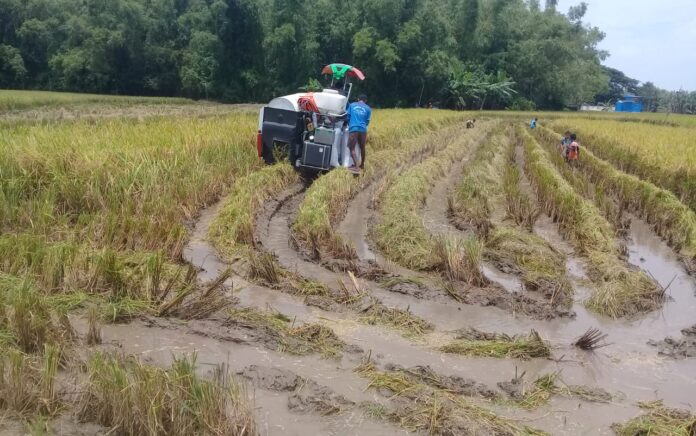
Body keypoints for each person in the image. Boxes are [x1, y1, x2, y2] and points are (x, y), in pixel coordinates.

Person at [346, 94, 372, 171]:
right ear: (366, 101)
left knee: (352, 148)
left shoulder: (352, 105)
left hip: (354, 128)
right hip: (363, 130)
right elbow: (367, 122)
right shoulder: (368, 108)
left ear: (358, 99)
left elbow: (348, 117)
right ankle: (362, 165)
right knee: (362, 147)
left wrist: (349, 124)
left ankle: (356, 166)